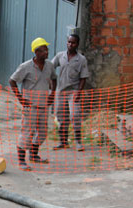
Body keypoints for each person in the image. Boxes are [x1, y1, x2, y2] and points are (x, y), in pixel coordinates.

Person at [9, 37, 57, 171]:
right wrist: (20, 98)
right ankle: (21, 161)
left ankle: (34, 155)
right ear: (35, 52)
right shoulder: (26, 67)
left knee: (42, 133)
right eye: (42, 50)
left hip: (43, 105)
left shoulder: (49, 66)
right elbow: (12, 81)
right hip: (30, 106)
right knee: (27, 133)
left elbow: (54, 79)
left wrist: (52, 94)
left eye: (46, 49)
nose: (46, 52)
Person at [51, 33, 90, 152]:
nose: (70, 44)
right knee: (61, 117)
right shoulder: (60, 56)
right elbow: (50, 67)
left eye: (73, 43)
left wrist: (79, 92)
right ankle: (63, 142)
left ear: (77, 44)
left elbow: (83, 77)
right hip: (60, 91)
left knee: (75, 115)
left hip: (73, 92)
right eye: (68, 42)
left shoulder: (81, 59)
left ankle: (78, 141)